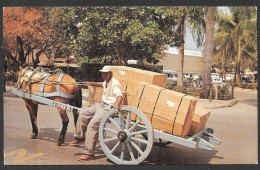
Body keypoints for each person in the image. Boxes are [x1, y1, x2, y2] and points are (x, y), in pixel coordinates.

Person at [69, 66, 123, 161]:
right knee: (83, 112)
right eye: (102, 73)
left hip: (108, 108)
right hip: (101, 105)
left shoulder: (115, 84)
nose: (103, 75)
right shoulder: (107, 82)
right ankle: (80, 137)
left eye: (106, 73)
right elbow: (101, 84)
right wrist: (91, 83)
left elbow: (119, 95)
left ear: (110, 73)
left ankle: (89, 153)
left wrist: (117, 105)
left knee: (92, 126)